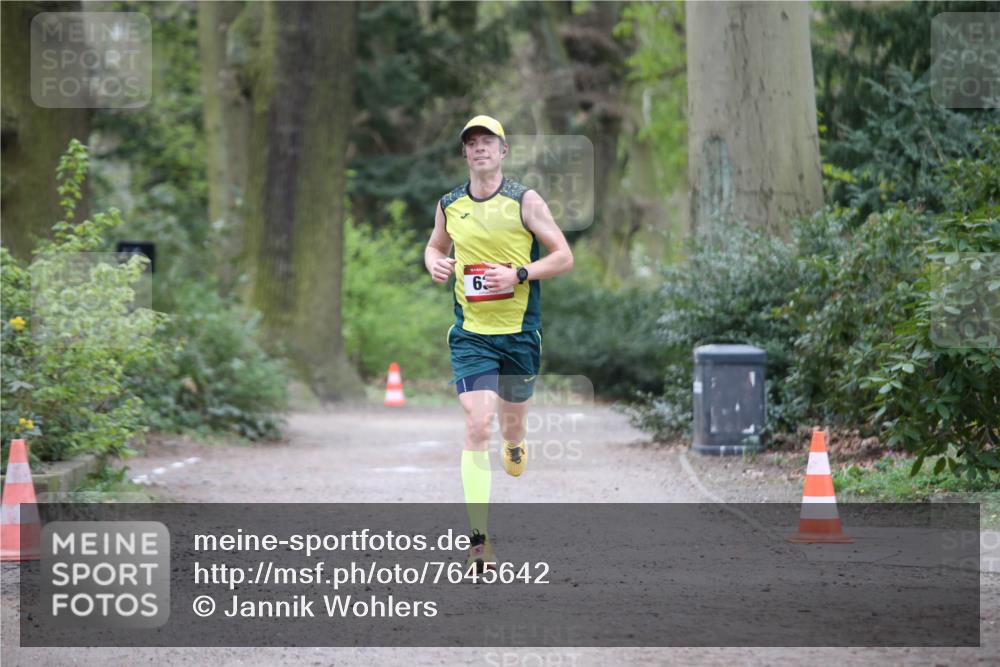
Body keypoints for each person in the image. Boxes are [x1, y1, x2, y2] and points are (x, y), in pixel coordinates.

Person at [424, 115, 574, 572]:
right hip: (471, 335)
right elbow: (435, 246)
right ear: (464, 153)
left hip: (520, 334)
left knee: (511, 425)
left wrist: (519, 274)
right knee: (478, 425)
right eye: (471, 143)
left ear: (503, 150)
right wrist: (434, 262)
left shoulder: (525, 201)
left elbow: (563, 257)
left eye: (487, 141)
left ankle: (516, 441)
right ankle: (479, 542)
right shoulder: (450, 205)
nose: (479, 148)